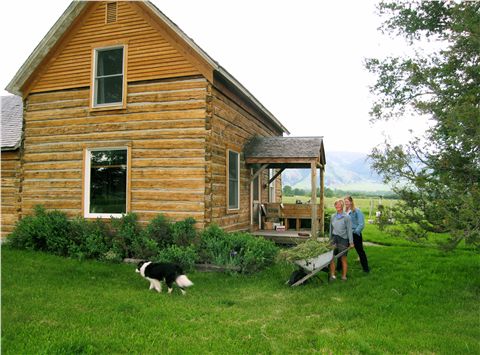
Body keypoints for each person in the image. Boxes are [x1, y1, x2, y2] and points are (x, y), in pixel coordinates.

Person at [329, 199, 354, 281]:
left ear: (342, 206)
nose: (337, 206)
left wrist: (351, 242)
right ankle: (332, 275)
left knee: (343, 258)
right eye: (336, 205)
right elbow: (331, 229)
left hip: (343, 239)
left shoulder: (347, 217)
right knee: (331, 257)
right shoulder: (333, 216)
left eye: (339, 205)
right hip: (334, 238)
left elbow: (349, 230)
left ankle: (344, 276)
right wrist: (330, 240)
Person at [344, 195, 370, 273]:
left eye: (347, 202)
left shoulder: (357, 211)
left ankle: (366, 269)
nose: (346, 203)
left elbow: (361, 224)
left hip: (355, 235)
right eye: (345, 202)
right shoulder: (345, 212)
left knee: (360, 251)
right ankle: (339, 268)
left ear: (351, 202)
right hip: (346, 234)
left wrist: (355, 232)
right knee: (343, 251)